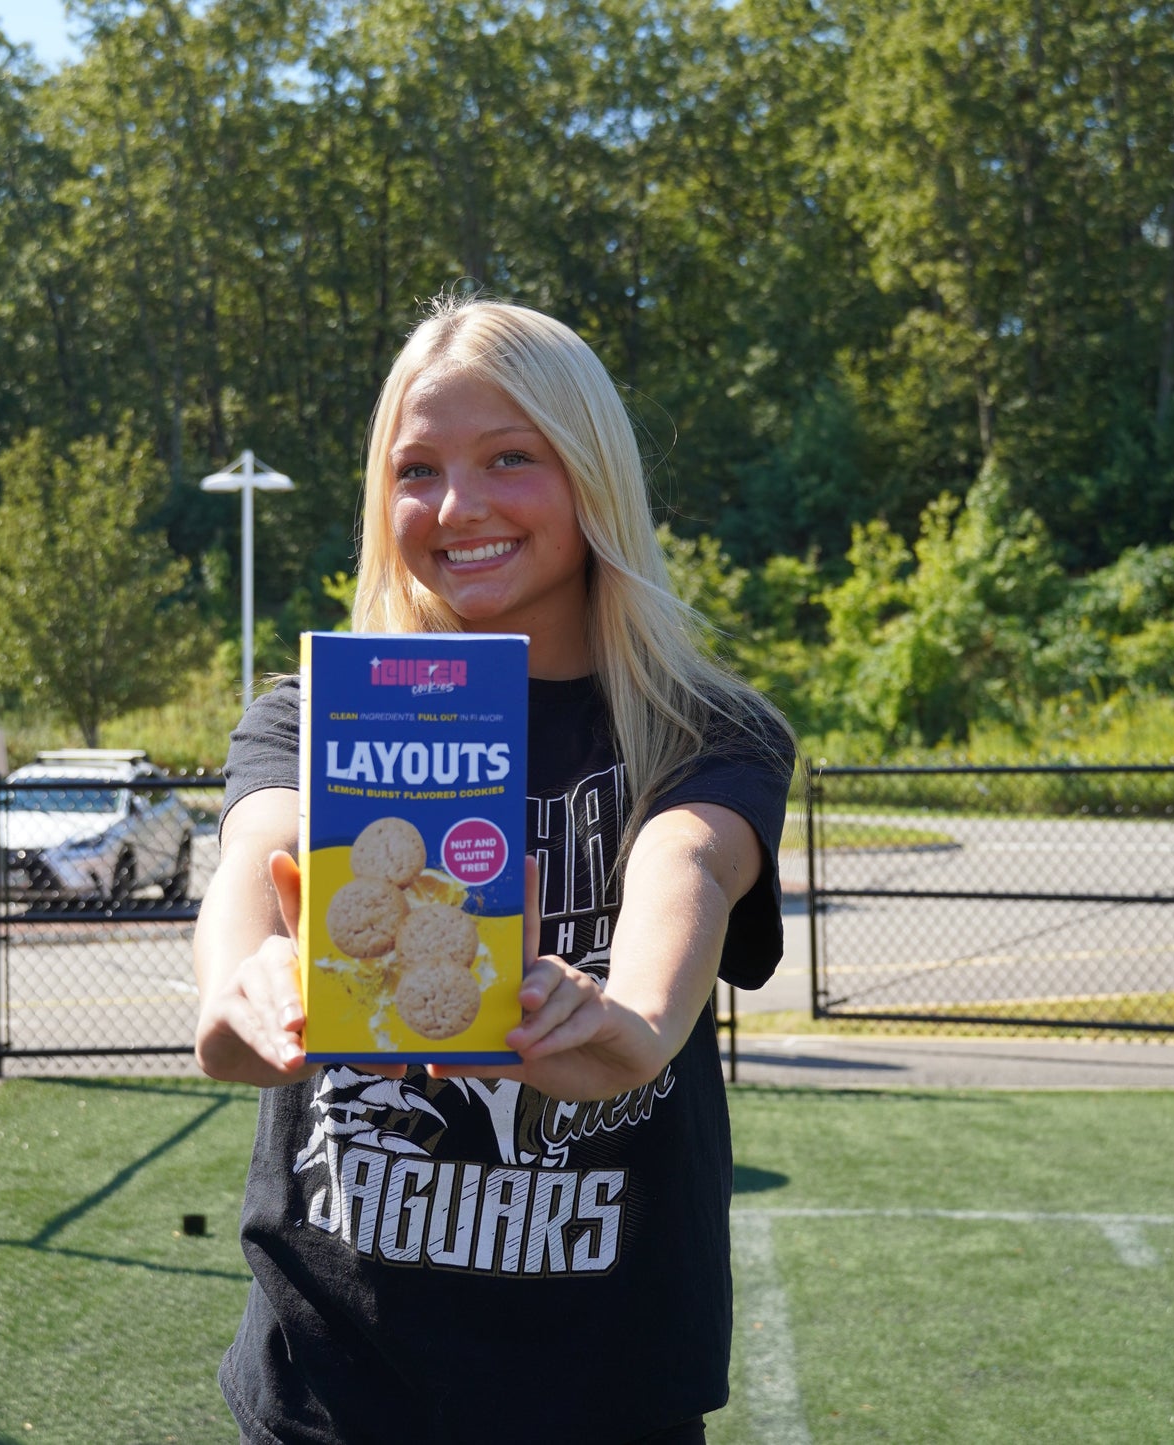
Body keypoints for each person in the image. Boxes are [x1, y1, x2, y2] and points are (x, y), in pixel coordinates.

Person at [193, 296, 797, 1445]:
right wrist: (243, 983)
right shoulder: (314, 717)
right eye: (415, 468)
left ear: (589, 474)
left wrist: (630, 1016)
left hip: (605, 1393)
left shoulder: (705, 731)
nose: (457, 506)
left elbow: (688, 862)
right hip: (331, 1388)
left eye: (508, 457)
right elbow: (252, 862)